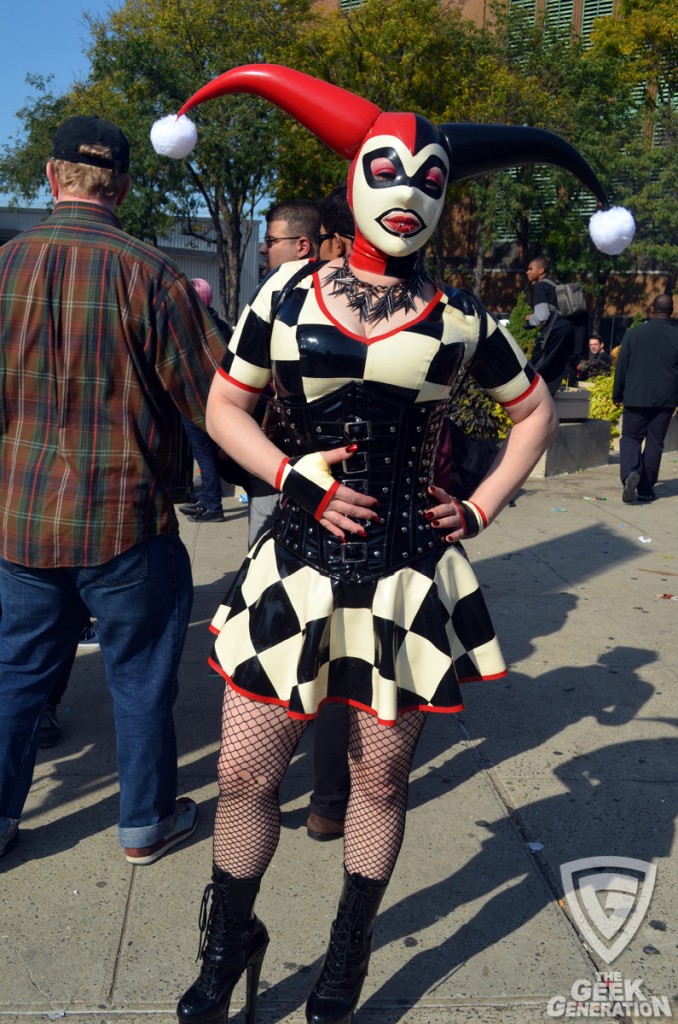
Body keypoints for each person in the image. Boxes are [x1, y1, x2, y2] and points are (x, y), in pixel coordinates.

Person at [152, 63, 633, 1024]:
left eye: (429, 176)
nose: (407, 191)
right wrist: (293, 475)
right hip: (293, 564)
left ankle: (349, 951)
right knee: (245, 772)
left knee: (380, 775)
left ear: (445, 198)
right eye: (387, 168)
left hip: (406, 578)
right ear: (355, 184)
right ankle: (230, 938)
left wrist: (486, 503)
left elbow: (533, 410)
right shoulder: (287, 293)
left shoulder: (462, 318)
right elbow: (223, 405)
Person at [0, 115, 226, 863]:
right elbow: (212, 401)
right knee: (140, 680)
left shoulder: (3, 267)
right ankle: (144, 825)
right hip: (127, 519)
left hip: (21, 520)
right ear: (123, 186)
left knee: (16, 680)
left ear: (50, 174)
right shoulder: (153, 274)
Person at [244, 201, 323, 546]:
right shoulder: (276, 293)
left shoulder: (281, 292)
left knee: (265, 553)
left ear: (302, 246)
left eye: (272, 241)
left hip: (284, 458)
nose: (264, 248)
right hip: (278, 460)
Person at [613, 293, 678, 504]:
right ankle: (646, 488)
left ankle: (631, 472)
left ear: (652, 309)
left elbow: (622, 366)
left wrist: (618, 393)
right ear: (672, 311)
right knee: (655, 442)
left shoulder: (634, 334)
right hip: (666, 399)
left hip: (635, 396)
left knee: (631, 437)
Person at [178, 278, 233, 523]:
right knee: (207, 451)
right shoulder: (220, 325)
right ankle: (205, 497)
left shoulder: (192, 328)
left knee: (202, 453)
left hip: (196, 398)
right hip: (219, 398)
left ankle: (212, 504)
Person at [525, 256, 580, 394]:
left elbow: (542, 316)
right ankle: (548, 400)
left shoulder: (541, 286)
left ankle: (532, 400)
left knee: (536, 367)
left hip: (554, 330)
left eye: (530, 269)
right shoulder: (558, 285)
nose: (527, 272)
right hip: (569, 329)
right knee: (556, 368)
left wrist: (529, 319)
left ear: (541, 270)